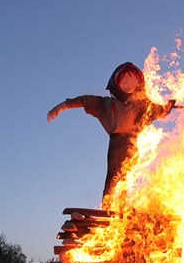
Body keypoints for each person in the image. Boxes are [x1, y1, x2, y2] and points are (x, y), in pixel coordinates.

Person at [47, 62, 175, 206]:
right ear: (116, 83)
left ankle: (121, 208)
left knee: (125, 176)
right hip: (117, 142)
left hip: (132, 143)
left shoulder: (141, 106)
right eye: (124, 81)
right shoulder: (108, 104)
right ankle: (106, 205)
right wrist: (59, 108)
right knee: (113, 175)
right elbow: (84, 100)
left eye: (132, 82)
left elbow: (157, 111)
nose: (128, 85)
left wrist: (167, 108)